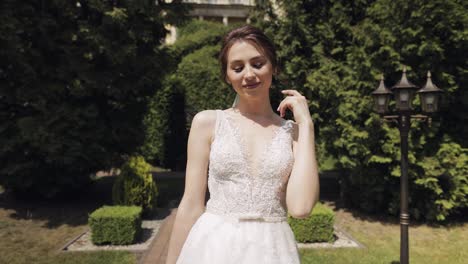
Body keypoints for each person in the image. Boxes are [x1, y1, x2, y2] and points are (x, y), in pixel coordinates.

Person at [165, 25, 319, 264]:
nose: (249, 74)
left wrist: (307, 125)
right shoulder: (207, 123)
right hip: (213, 248)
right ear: (227, 75)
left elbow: (301, 208)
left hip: (273, 251)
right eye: (238, 68)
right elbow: (191, 204)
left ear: (273, 67)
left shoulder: (295, 133)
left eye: (258, 64)